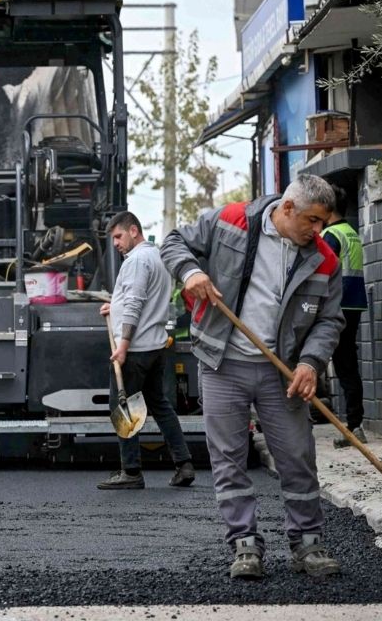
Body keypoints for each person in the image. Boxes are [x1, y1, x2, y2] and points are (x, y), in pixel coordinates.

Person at [160, 174, 345, 580]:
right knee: (229, 458)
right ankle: (244, 545)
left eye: (323, 223)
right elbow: (173, 242)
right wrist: (190, 272)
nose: (318, 231)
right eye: (312, 221)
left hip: (284, 372)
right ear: (288, 208)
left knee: (297, 456)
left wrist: (310, 363)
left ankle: (308, 544)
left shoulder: (324, 259)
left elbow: (330, 320)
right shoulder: (230, 221)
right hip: (223, 363)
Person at [96, 212, 195, 490]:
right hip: (155, 346)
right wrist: (113, 306)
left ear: (134, 231)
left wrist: (123, 346)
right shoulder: (157, 256)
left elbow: (136, 303)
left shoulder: (137, 261)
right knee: (160, 405)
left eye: (118, 236)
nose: (115, 243)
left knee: (121, 406)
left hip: (135, 349)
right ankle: (184, 463)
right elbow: (138, 299)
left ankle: (131, 471)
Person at [321, 186, 368, 448]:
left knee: (340, 364)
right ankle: (355, 423)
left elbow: (322, 271)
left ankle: (351, 425)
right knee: (348, 364)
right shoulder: (352, 233)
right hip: (354, 305)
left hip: (336, 307)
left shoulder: (330, 235)